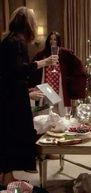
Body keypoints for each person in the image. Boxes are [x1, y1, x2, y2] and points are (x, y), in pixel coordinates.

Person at [0, 7, 57, 185]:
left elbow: (9, 75)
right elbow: (19, 70)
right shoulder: (17, 42)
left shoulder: (8, 40)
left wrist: (27, 91)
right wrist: (43, 63)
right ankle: (7, 176)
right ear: (27, 24)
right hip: (11, 100)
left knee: (7, 133)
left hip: (8, 95)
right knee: (12, 135)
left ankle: (6, 174)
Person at [29, 31, 87, 116]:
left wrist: (70, 80)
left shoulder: (65, 53)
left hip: (60, 89)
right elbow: (33, 70)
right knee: (45, 113)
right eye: (50, 39)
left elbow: (78, 65)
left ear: (58, 41)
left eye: (55, 39)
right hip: (47, 89)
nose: (52, 41)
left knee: (61, 114)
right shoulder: (41, 55)